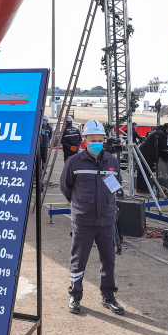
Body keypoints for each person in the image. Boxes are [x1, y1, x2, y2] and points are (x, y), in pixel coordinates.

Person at [59, 119, 124, 316]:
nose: (97, 143)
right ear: (85, 140)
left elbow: (116, 184)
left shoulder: (112, 161)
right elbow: (65, 186)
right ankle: (75, 295)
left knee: (108, 260)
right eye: (93, 140)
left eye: (100, 140)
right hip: (83, 221)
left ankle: (108, 297)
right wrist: (78, 203)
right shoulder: (74, 162)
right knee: (78, 261)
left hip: (106, 220)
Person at [136, 122, 168, 192]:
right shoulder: (161, 133)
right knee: (146, 171)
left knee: (141, 170)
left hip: (144, 151)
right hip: (149, 153)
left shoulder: (156, 131)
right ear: (167, 129)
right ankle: (143, 188)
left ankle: (139, 187)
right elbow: (164, 146)